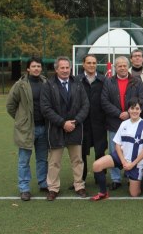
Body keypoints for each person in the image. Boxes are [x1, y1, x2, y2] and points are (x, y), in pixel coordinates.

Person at [40, 56, 89, 201]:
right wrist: (63, 123)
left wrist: (75, 121)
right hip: (56, 129)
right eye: (62, 68)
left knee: (77, 160)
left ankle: (79, 186)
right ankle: (53, 188)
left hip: (75, 128)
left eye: (67, 67)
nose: (65, 70)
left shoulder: (78, 84)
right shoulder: (48, 85)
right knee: (54, 161)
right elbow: (46, 108)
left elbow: (85, 105)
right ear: (56, 69)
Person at [90, 98, 143, 200]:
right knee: (97, 165)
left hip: (136, 162)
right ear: (128, 110)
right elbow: (117, 144)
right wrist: (123, 161)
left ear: (141, 110)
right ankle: (103, 192)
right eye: (132, 108)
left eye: (137, 108)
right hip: (121, 157)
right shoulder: (124, 124)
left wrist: (132, 164)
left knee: (134, 194)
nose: (134, 111)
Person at [6, 56, 48, 201]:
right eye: (34, 66)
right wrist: (21, 120)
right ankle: (24, 188)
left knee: (42, 159)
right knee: (24, 160)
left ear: (41, 68)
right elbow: (10, 105)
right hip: (27, 130)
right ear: (28, 69)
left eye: (39, 66)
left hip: (43, 127)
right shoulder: (20, 85)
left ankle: (43, 183)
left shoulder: (45, 83)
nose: (36, 68)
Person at [101, 56, 143, 191]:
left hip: (133, 122)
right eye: (119, 66)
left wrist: (128, 112)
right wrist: (118, 113)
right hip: (114, 122)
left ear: (128, 67)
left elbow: (142, 99)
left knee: (132, 150)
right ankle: (116, 178)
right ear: (115, 67)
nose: (122, 68)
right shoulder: (109, 82)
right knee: (114, 150)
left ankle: (130, 174)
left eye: (124, 65)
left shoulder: (136, 81)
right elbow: (104, 101)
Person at [76, 54, 107, 183]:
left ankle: (100, 178)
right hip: (82, 123)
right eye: (89, 63)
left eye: (94, 63)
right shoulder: (76, 80)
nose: (91, 65)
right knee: (81, 153)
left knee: (100, 151)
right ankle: (80, 178)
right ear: (83, 64)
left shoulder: (103, 80)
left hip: (99, 122)